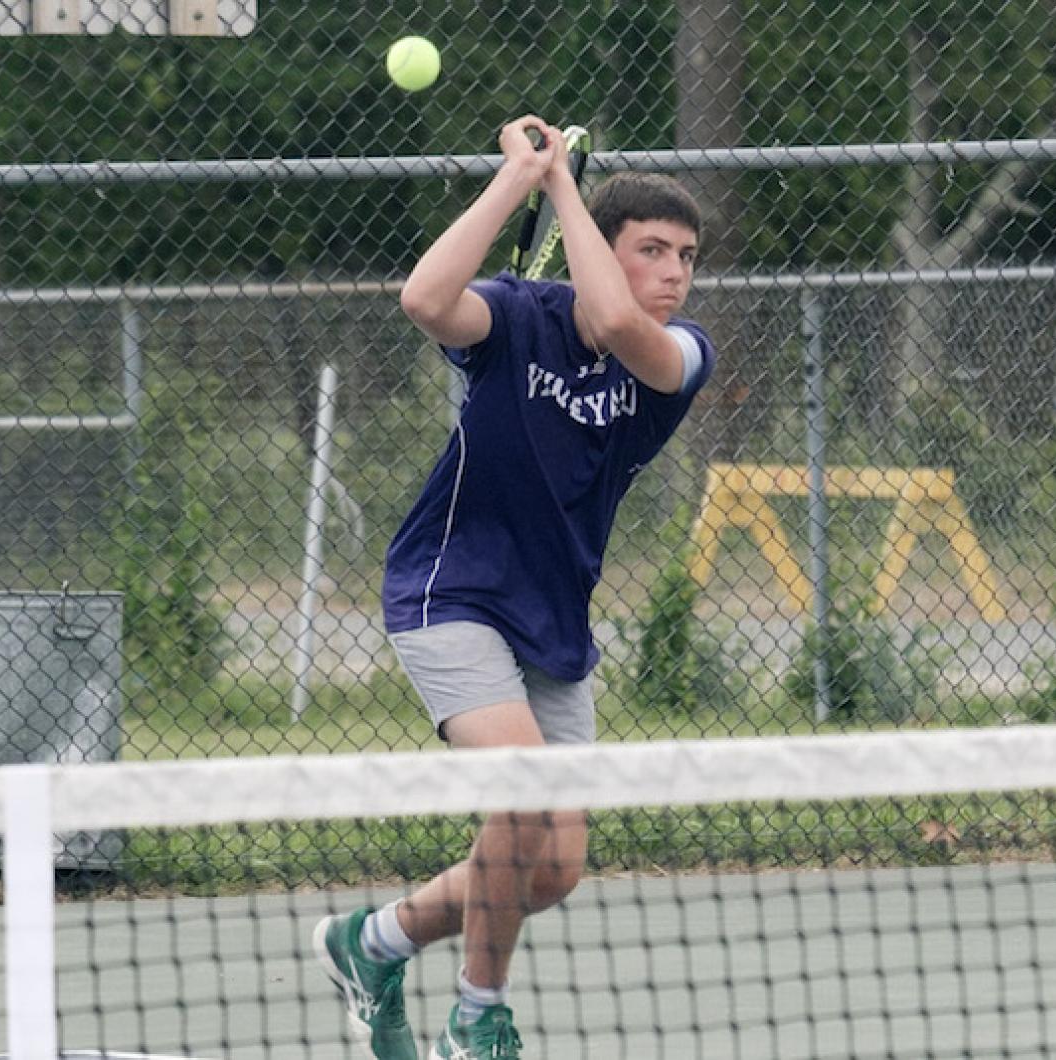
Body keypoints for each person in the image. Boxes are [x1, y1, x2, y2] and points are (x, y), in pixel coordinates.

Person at [314, 114, 716, 1060]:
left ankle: (372, 942)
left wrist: (563, 188)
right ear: (598, 255)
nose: (673, 273)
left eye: (686, 256)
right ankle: (476, 1014)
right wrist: (519, 178)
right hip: (447, 592)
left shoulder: (681, 355)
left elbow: (618, 321)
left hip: (553, 619)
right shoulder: (512, 319)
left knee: (553, 869)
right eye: (649, 251)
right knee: (523, 800)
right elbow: (422, 297)